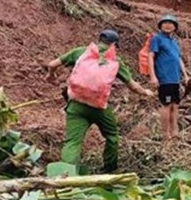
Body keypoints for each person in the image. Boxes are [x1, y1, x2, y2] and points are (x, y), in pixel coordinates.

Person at [46, 29, 154, 173]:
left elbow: (52, 64)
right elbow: (133, 86)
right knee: (112, 136)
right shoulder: (115, 60)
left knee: (72, 142)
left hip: (76, 105)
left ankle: (66, 176)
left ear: (99, 40)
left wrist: (50, 76)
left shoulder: (80, 52)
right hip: (98, 108)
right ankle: (109, 170)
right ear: (114, 44)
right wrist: (146, 92)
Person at [148, 14, 189, 141]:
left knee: (175, 106)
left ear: (175, 27)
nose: (167, 25)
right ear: (160, 26)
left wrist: (186, 75)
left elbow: (178, 59)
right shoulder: (157, 39)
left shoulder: (174, 42)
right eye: (165, 23)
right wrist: (153, 76)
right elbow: (150, 56)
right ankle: (165, 135)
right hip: (164, 78)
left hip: (175, 79)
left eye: (171, 23)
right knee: (166, 105)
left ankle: (175, 132)